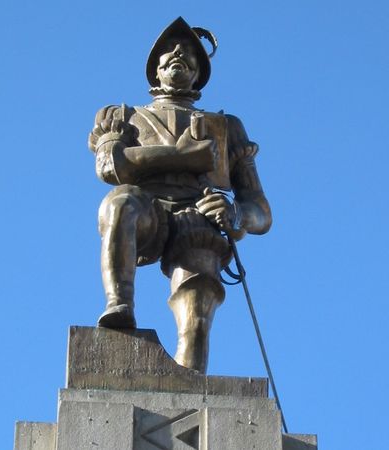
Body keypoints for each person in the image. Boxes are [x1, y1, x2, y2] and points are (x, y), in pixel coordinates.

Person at [88, 17, 271, 373]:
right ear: (154, 68)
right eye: (169, 50)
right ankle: (120, 305)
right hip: (145, 208)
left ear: (199, 72)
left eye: (189, 52)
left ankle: (189, 377)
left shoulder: (225, 127)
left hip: (197, 213)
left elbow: (261, 210)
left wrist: (235, 214)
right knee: (120, 202)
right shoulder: (122, 116)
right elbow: (112, 167)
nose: (178, 53)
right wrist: (190, 157)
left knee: (199, 295)